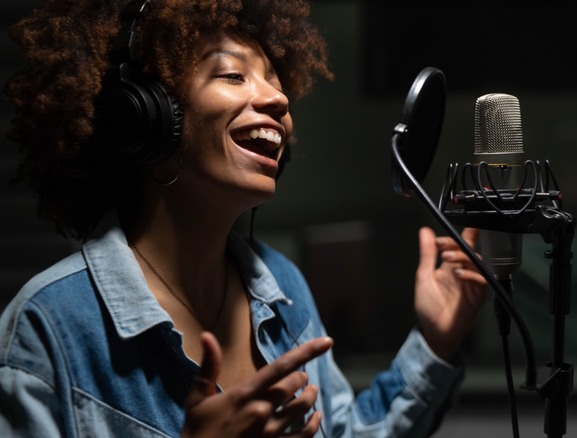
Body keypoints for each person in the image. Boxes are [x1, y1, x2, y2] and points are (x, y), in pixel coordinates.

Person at [0, 0, 488, 436]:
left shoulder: (284, 286)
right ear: (147, 118)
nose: (279, 101)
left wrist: (435, 341)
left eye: (275, 82)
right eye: (233, 76)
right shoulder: (48, 326)